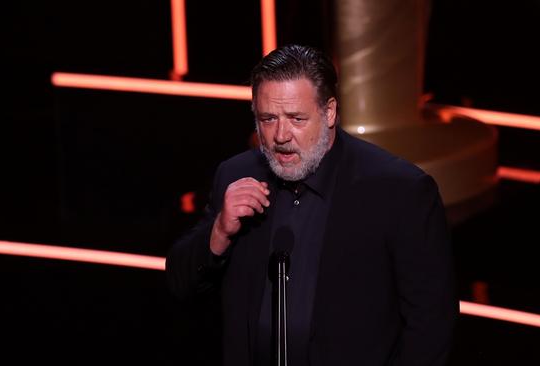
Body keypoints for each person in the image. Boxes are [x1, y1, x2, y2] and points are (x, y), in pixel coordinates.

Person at [166, 44, 456, 366]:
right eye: (268, 118)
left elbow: (431, 323)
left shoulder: (399, 191)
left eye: (296, 118)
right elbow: (180, 284)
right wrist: (219, 231)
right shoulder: (236, 174)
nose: (280, 135)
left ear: (329, 112)